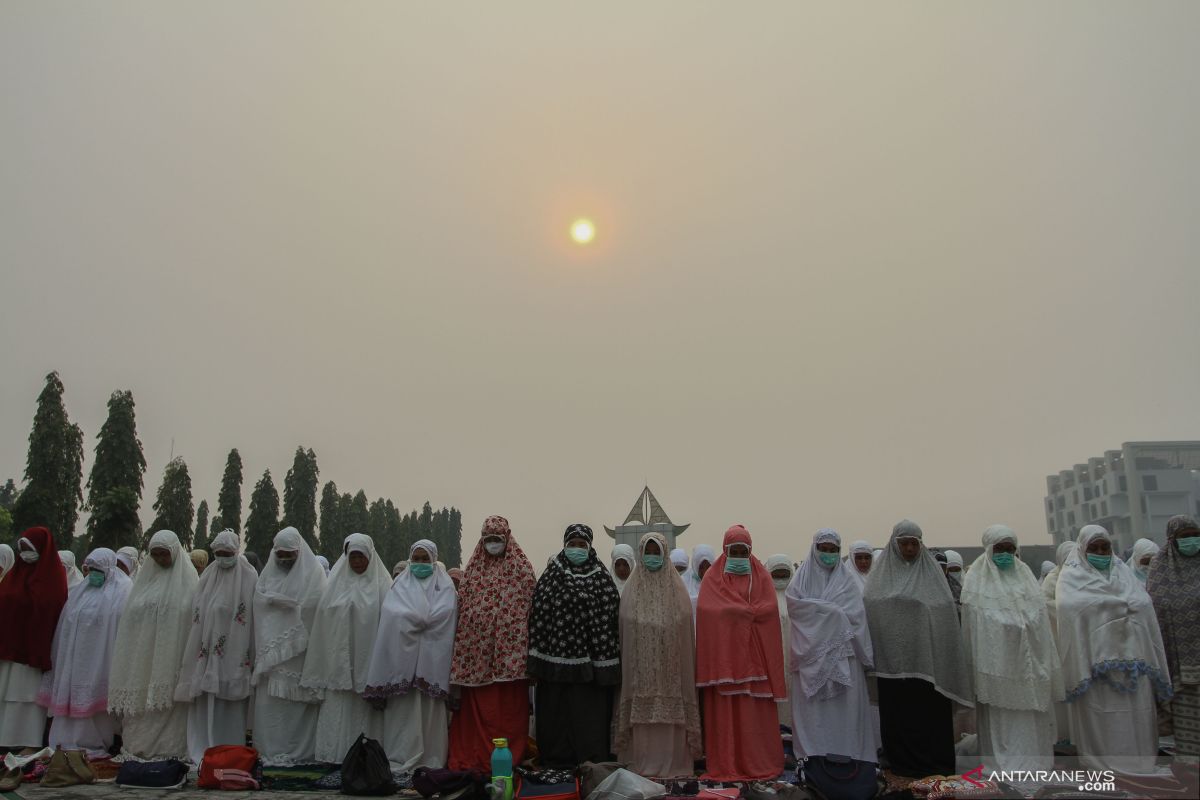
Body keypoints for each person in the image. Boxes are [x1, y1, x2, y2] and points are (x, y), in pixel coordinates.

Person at [1057, 524, 1172, 774]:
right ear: (1082, 549)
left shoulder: (1124, 574)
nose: (1100, 552)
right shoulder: (1071, 577)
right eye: (1094, 548)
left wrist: (1110, 606)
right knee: (1103, 717)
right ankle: (1103, 764)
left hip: (1135, 663)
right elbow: (1071, 607)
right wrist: (1120, 605)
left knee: (1137, 716)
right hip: (1095, 668)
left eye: (1105, 547)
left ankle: (1139, 762)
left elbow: (1143, 604)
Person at [863, 520, 972, 777]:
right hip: (893, 671)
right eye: (905, 543)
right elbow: (872, 608)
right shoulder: (878, 581)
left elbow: (944, 611)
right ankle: (901, 764)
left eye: (914, 543)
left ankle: (935, 765)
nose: (910, 549)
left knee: (929, 721)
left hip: (929, 670)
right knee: (899, 720)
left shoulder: (933, 579)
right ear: (895, 544)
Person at [960, 525, 1061, 773]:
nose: (1005, 554)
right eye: (1000, 549)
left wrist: (1024, 627)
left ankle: (1034, 760)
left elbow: (1039, 619)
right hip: (996, 668)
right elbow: (975, 628)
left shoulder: (1025, 575)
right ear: (989, 549)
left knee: (1030, 720)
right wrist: (1009, 626)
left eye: (1010, 548)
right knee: (1002, 722)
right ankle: (1001, 762)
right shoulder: (976, 580)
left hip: (1030, 667)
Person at [695, 524, 786, 781]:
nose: (738, 557)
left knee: (754, 718)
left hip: (755, 668)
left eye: (742, 552)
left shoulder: (762, 577)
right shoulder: (713, 579)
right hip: (724, 670)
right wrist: (740, 612)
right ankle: (727, 763)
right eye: (733, 552)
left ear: (750, 551)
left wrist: (741, 613)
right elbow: (708, 611)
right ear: (725, 551)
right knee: (727, 718)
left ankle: (758, 761)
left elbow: (768, 609)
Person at [528, 523, 622, 767]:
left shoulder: (602, 579)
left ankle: (590, 761)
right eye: (572, 544)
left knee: (587, 717)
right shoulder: (550, 578)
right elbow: (538, 616)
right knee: (555, 716)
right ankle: (556, 761)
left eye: (582, 545)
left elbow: (611, 617)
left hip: (590, 671)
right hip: (554, 668)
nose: (577, 549)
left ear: (590, 548)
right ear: (564, 545)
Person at [447, 516, 537, 771]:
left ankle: (509, 758)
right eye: (489, 540)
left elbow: (530, 608)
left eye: (498, 539)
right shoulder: (473, 572)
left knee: (508, 714)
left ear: (507, 538)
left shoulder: (522, 571)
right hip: (477, 660)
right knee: (478, 713)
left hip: (511, 664)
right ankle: (476, 756)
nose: (493, 544)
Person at [787, 529, 878, 766]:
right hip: (811, 658)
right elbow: (797, 609)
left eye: (833, 550)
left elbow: (856, 616)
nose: (828, 555)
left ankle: (851, 757)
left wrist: (826, 613)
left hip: (845, 657)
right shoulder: (801, 579)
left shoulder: (847, 581)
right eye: (824, 550)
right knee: (815, 715)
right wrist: (833, 613)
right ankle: (814, 758)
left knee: (845, 714)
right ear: (814, 549)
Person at [613, 532, 701, 777]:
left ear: (664, 555)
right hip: (640, 673)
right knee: (640, 724)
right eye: (647, 553)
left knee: (671, 722)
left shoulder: (678, 593)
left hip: (671, 674)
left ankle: (675, 764)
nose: (652, 557)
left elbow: (684, 623)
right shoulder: (630, 593)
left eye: (656, 552)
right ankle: (639, 764)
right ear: (641, 555)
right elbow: (625, 625)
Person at [365, 539, 457, 770]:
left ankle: (431, 760)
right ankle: (400, 757)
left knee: (429, 716)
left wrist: (417, 619)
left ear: (434, 560)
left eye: (425, 559)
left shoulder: (445, 587)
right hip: (400, 667)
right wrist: (419, 620)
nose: (420, 563)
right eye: (416, 559)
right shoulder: (399, 586)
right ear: (409, 560)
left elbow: (445, 615)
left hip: (432, 666)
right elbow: (391, 615)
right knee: (403, 717)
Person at [108, 530, 199, 759]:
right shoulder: (143, 583)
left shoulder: (189, 585)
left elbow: (192, 621)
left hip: (172, 660)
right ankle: (138, 747)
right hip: (142, 660)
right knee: (141, 710)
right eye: (155, 554)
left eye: (164, 554)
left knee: (168, 708)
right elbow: (130, 619)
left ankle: (171, 751)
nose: (160, 559)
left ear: (175, 552)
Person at [301, 533, 391, 763]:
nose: (357, 562)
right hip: (337, 665)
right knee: (338, 709)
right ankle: (334, 755)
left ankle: (367, 759)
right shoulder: (334, 586)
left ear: (370, 557)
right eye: (353, 557)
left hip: (367, 663)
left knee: (364, 714)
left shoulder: (383, 587)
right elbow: (322, 624)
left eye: (361, 557)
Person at [38, 548, 133, 755]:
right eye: (91, 569)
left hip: (100, 657)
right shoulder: (83, 590)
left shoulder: (122, 589)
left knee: (94, 706)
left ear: (109, 568)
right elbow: (66, 623)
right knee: (72, 700)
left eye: (98, 569)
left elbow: (120, 624)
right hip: (76, 658)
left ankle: (92, 742)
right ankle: (63, 741)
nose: (94, 573)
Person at [175, 529, 257, 765]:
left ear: (236, 551)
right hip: (205, 652)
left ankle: (228, 751)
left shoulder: (249, 576)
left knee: (228, 707)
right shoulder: (208, 576)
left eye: (227, 553)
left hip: (233, 653)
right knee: (204, 703)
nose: (222, 558)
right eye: (218, 553)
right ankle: (201, 749)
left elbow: (250, 617)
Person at [251, 527, 327, 766]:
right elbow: (259, 604)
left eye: (290, 554)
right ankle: (269, 750)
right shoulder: (267, 576)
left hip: (301, 657)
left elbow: (316, 607)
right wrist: (278, 604)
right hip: (272, 660)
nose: (284, 559)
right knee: (271, 708)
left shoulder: (313, 575)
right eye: (280, 554)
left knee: (298, 710)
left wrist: (290, 607)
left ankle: (302, 753)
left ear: (299, 552)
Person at [0, 528, 68, 749]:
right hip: (8, 652)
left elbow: (51, 611)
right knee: (6, 694)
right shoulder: (13, 576)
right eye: (21, 549)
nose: (24, 554)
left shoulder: (53, 580)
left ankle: (25, 742)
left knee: (27, 699)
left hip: (33, 655)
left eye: (29, 549)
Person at [1148, 515, 1200, 762]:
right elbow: (1154, 616)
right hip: (1180, 672)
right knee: (1191, 739)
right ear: (1172, 539)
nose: (1191, 540)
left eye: (1195, 534)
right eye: (1184, 536)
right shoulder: (1160, 570)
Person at [766, 553, 795, 729]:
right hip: (772, 661)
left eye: (784, 574)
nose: (781, 578)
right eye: (776, 574)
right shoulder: (762, 597)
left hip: (794, 660)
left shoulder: (797, 596)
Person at [685, 544, 715, 616]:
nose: (705, 571)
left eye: (708, 567)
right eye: (701, 567)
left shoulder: (720, 584)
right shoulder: (684, 583)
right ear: (695, 566)